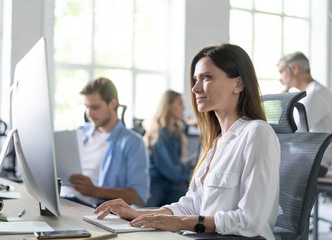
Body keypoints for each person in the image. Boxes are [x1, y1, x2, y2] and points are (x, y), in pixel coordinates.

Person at [94, 44, 281, 240]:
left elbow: (250, 221)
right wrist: (138, 213)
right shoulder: (215, 143)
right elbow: (191, 205)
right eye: (195, 79)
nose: (195, 88)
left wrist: (181, 223)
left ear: (239, 84)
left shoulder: (257, 133)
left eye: (207, 77)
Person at [60, 77, 150, 207]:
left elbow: (139, 196)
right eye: (87, 107)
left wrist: (94, 191)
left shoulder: (133, 142)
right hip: (62, 199)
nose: (89, 114)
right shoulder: (78, 133)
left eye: (95, 107)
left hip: (89, 209)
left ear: (112, 104)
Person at [278, 51, 332, 176]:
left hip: (313, 162)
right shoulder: (313, 92)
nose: (280, 78)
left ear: (295, 68)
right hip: (308, 159)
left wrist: (283, 99)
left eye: (282, 72)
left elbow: (291, 132)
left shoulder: (315, 95)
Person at [143, 90, 192, 207]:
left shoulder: (176, 131)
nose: (184, 108)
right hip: (157, 185)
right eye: (180, 104)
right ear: (169, 106)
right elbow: (171, 171)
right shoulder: (160, 134)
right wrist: (191, 175)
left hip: (171, 184)